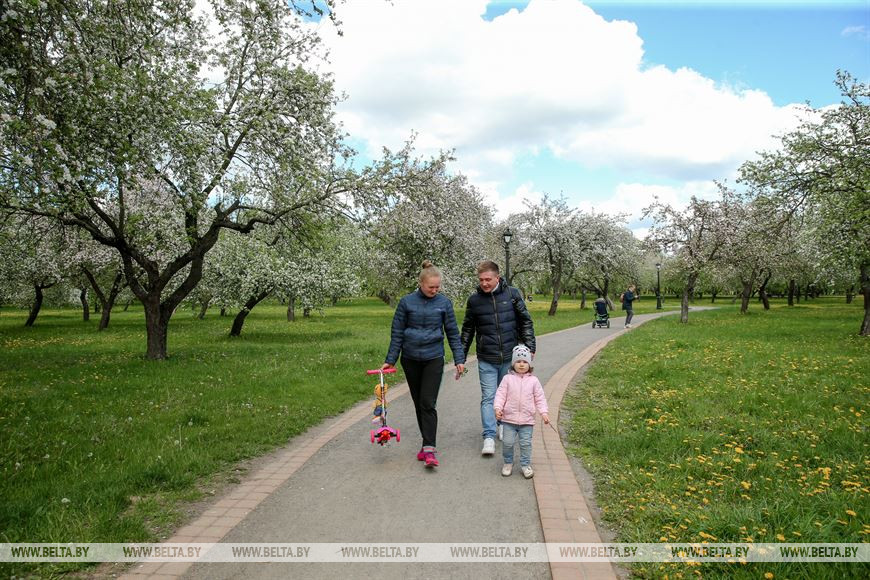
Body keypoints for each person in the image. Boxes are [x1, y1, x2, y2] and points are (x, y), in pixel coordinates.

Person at [382, 260, 465, 468]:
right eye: (431, 287)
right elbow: (397, 333)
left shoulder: (444, 303)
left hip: (433, 358)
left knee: (428, 402)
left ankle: (429, 448)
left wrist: (459, 359)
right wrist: (390, 360)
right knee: (419, 402)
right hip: (410, 359)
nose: (435, 290)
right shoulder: (406, 302)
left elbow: (452, 333)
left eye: (437, 287)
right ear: (421, 283)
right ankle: (425, 443)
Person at [461, 261, 536, 456]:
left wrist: (530, 347)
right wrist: (461, 356)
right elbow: (468, 329)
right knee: (488, 397)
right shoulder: (474, 300)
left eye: (488, 279)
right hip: (486, 357)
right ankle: (488, 436)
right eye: (481, 280)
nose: (484, 283)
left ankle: (502, 424)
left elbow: (525, 321)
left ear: (497, 277)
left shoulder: (512, 294)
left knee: (508, 395)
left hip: (510, 357)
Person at [494, 344, 549, 479]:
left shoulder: (534, 381)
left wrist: (544, 413)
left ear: (529, 364)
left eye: (525, 361)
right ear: (513, 363)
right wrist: (498, 408)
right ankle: (508, 462)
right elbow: (500, 395)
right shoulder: (507, 379)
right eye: (518, 361)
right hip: (509, 420)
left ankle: (525, 464)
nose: (522, 364)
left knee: (525, 444)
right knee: (507, 443)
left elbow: (540, 398)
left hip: (527, 420)